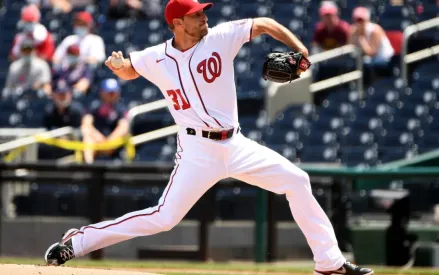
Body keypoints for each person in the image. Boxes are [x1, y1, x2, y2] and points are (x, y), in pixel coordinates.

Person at [44, 1, 374, 274]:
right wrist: (119, 67)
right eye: (196, 14)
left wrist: (301, 51)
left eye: (204, 11)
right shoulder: (156, 56)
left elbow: (264, 23)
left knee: (297, 180)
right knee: (163, 218)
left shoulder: (220, 37)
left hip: (236, 144)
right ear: (177, 23)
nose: (205, 16)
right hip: (196, 151)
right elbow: (132, 68)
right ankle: (78, 241)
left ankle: (329, 264)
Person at [80, 79, 129, 164]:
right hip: (97, 142)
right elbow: (86, 124)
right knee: (87, 138)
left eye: (114, 92)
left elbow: (123, 127)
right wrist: (100, 139)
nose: (111, 95)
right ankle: (89, 166)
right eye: (109, 92)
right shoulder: (94, 106)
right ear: (102, 92)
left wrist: (109, 142)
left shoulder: (121, 108)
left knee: (123, 135)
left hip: (113, 144)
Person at [40, 79, 85, 159]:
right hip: (54, 146)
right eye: (59, 94)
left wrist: (66, 138)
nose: (62, 97)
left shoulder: (76, 111)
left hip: (73, 147)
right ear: (54, 95)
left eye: (64, 94)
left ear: (70, 95)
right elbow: (46, 130)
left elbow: (79, 133)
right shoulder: (49, 111)